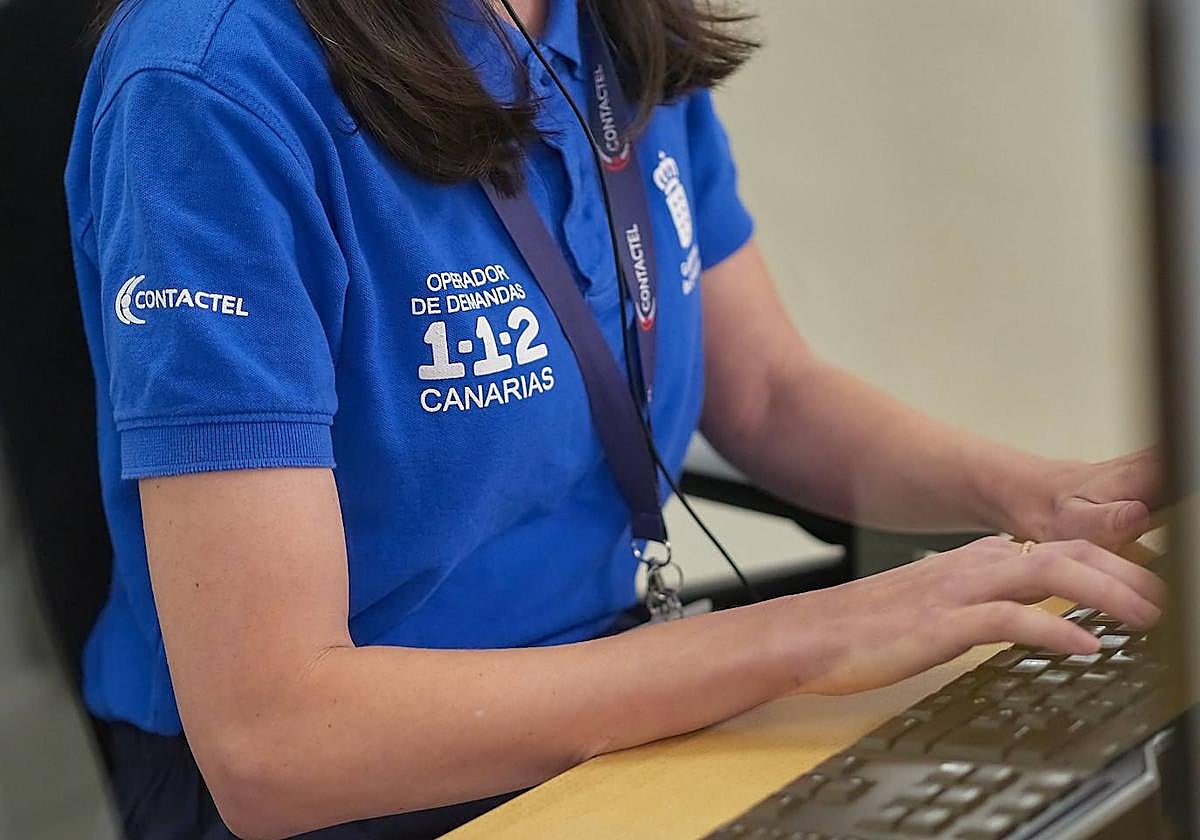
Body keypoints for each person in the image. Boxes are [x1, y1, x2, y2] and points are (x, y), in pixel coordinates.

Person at [64, 0, 1164, 837]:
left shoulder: (603, 25)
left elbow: (767, 390)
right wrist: (804, 636)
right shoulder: (206, 85)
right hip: (374, 790)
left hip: (627, 710)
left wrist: (1036, 495)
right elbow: (277, 739)